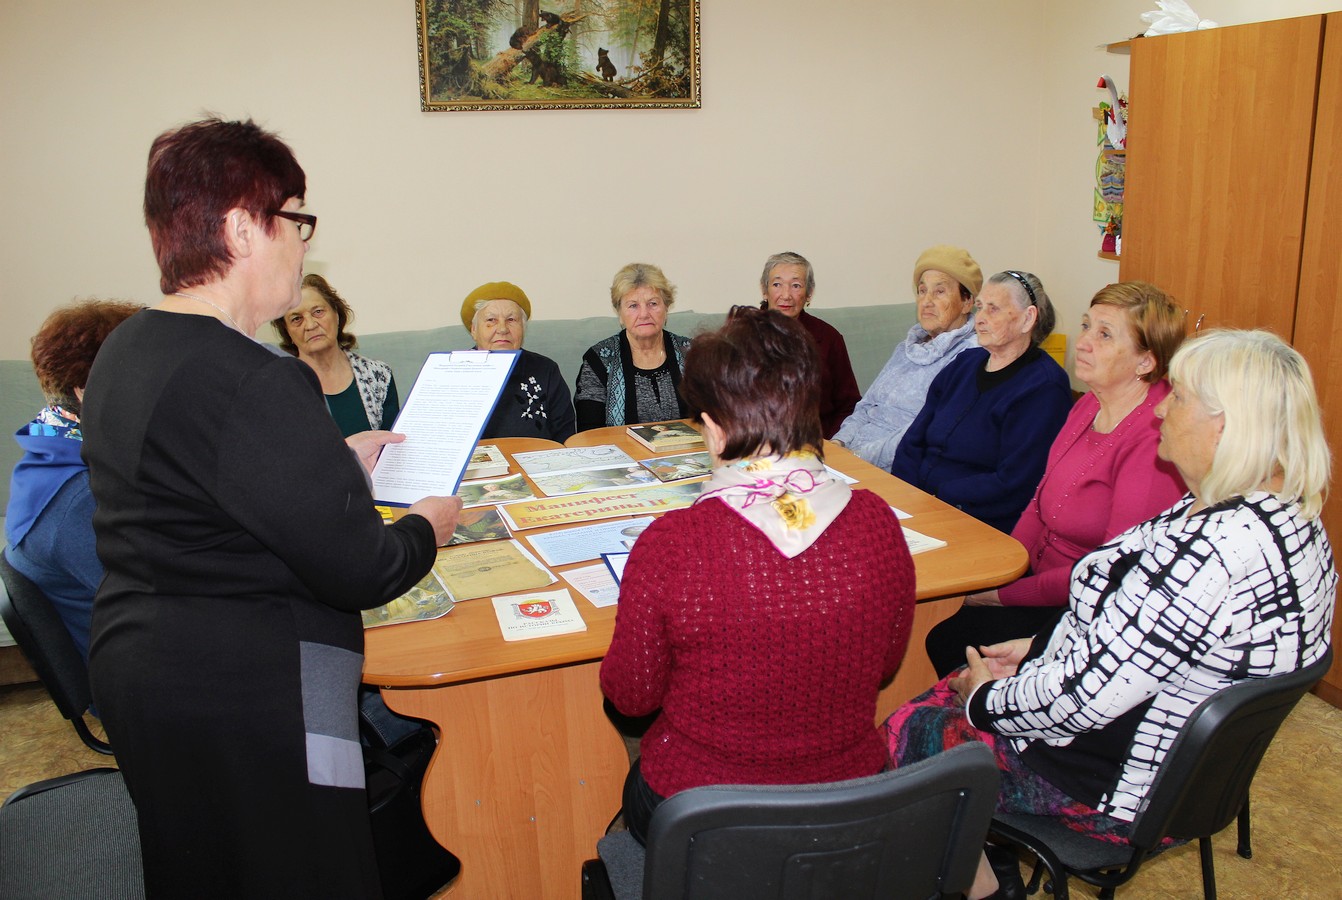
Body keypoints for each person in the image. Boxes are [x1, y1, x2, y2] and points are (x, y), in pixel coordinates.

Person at [80, 117, 462, 898]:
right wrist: (427, 525)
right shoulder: (256, 380)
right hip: (253, 695)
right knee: (305, 871)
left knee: (205, 868)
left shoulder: (128, 347)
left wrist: (329, 462)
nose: (304, 243)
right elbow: (363, 568)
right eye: (295, 219)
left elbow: (201, 492)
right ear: (241, 230)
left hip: (145, 667)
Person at [885, 329, 1336, 899]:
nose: (1162, 409)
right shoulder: (1288, 520)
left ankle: (982, 886)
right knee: (956, 687)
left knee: (911, 726)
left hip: (1113, 787)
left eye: (1180, 397)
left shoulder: (1210, 553)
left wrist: (984, 698)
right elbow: (1142, 633)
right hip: (1174, 766)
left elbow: (1081, 701)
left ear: (1225, 426)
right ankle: (983, 863)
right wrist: (1040, 649)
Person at [600, 306, 918, 845]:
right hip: (849, 800)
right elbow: (886, 665)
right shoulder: (877, 522)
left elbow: (632, 697)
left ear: (713, 430)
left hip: (701, 809)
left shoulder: (672, 544)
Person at [924, 282, 1188, 677]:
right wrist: (1003, 570)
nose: (1084, 342)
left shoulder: (1153, 440)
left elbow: (1108, 574)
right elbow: (1038, 502)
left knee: (939, 636)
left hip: (1083, 610)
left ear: (1145, 361)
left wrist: (1000, 594)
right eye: (1086, 326)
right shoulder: (1088, 404)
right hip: (1033, 580)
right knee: (927, 615)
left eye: (1104, 335)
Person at [4, 299, 142, 664]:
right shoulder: (79, 501)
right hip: (138, 671)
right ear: (87, 390)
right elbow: (160, 604)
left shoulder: (51, 455)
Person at [891, 270, 1073, 533]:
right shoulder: (964, 363)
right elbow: (913, 440)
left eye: (993, 309)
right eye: (980, 307)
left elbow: (1015, 482)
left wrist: (937, 498)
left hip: (976, 521)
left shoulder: (1044, 387)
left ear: (1027, 318)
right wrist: (905, 494)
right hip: (919, 505)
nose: (980, 318)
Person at [833, 245, 982, 469]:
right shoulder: (905, 348)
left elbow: (923, 431)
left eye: (939, 292)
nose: (927, 301)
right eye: (922, 291)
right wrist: (838, 443)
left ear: (967, 302)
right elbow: (867, 405)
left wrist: (857, 458)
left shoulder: (970, 356)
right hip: (853, 458)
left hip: (898, 467)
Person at [272, 273, 400, 437]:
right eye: (296, 319)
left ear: (336, 315)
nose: (310, 325)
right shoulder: (280, 387)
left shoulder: (378, 375)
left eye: (318, 312)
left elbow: (392, 446)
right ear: (287, 331)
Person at [575, 262, 692, 431]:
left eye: (653, 303)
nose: (644, 314)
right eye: (633, 305)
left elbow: (716, 417)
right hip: (620, 449)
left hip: (689, 448)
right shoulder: (599, 360)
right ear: (620, 313)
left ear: (666, 308)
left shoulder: (694, 354)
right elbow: (589, 433)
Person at [758, 251, 861, 439]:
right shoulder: (742, 335)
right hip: (754, 440)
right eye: (777, 284)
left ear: (809, 293)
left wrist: (832, 443)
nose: (786, 295)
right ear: (765, 290)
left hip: (815, 441)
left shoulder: (828, 337)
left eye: (796, 285)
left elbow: (848, 405)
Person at [459, 281, 575, 442]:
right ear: (474, 330)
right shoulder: (453, 373)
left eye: (511, 320)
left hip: (538, 457)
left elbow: (566, 436)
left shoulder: (546, 370)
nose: (502, 329)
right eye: (491, 320)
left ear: (523, 328)